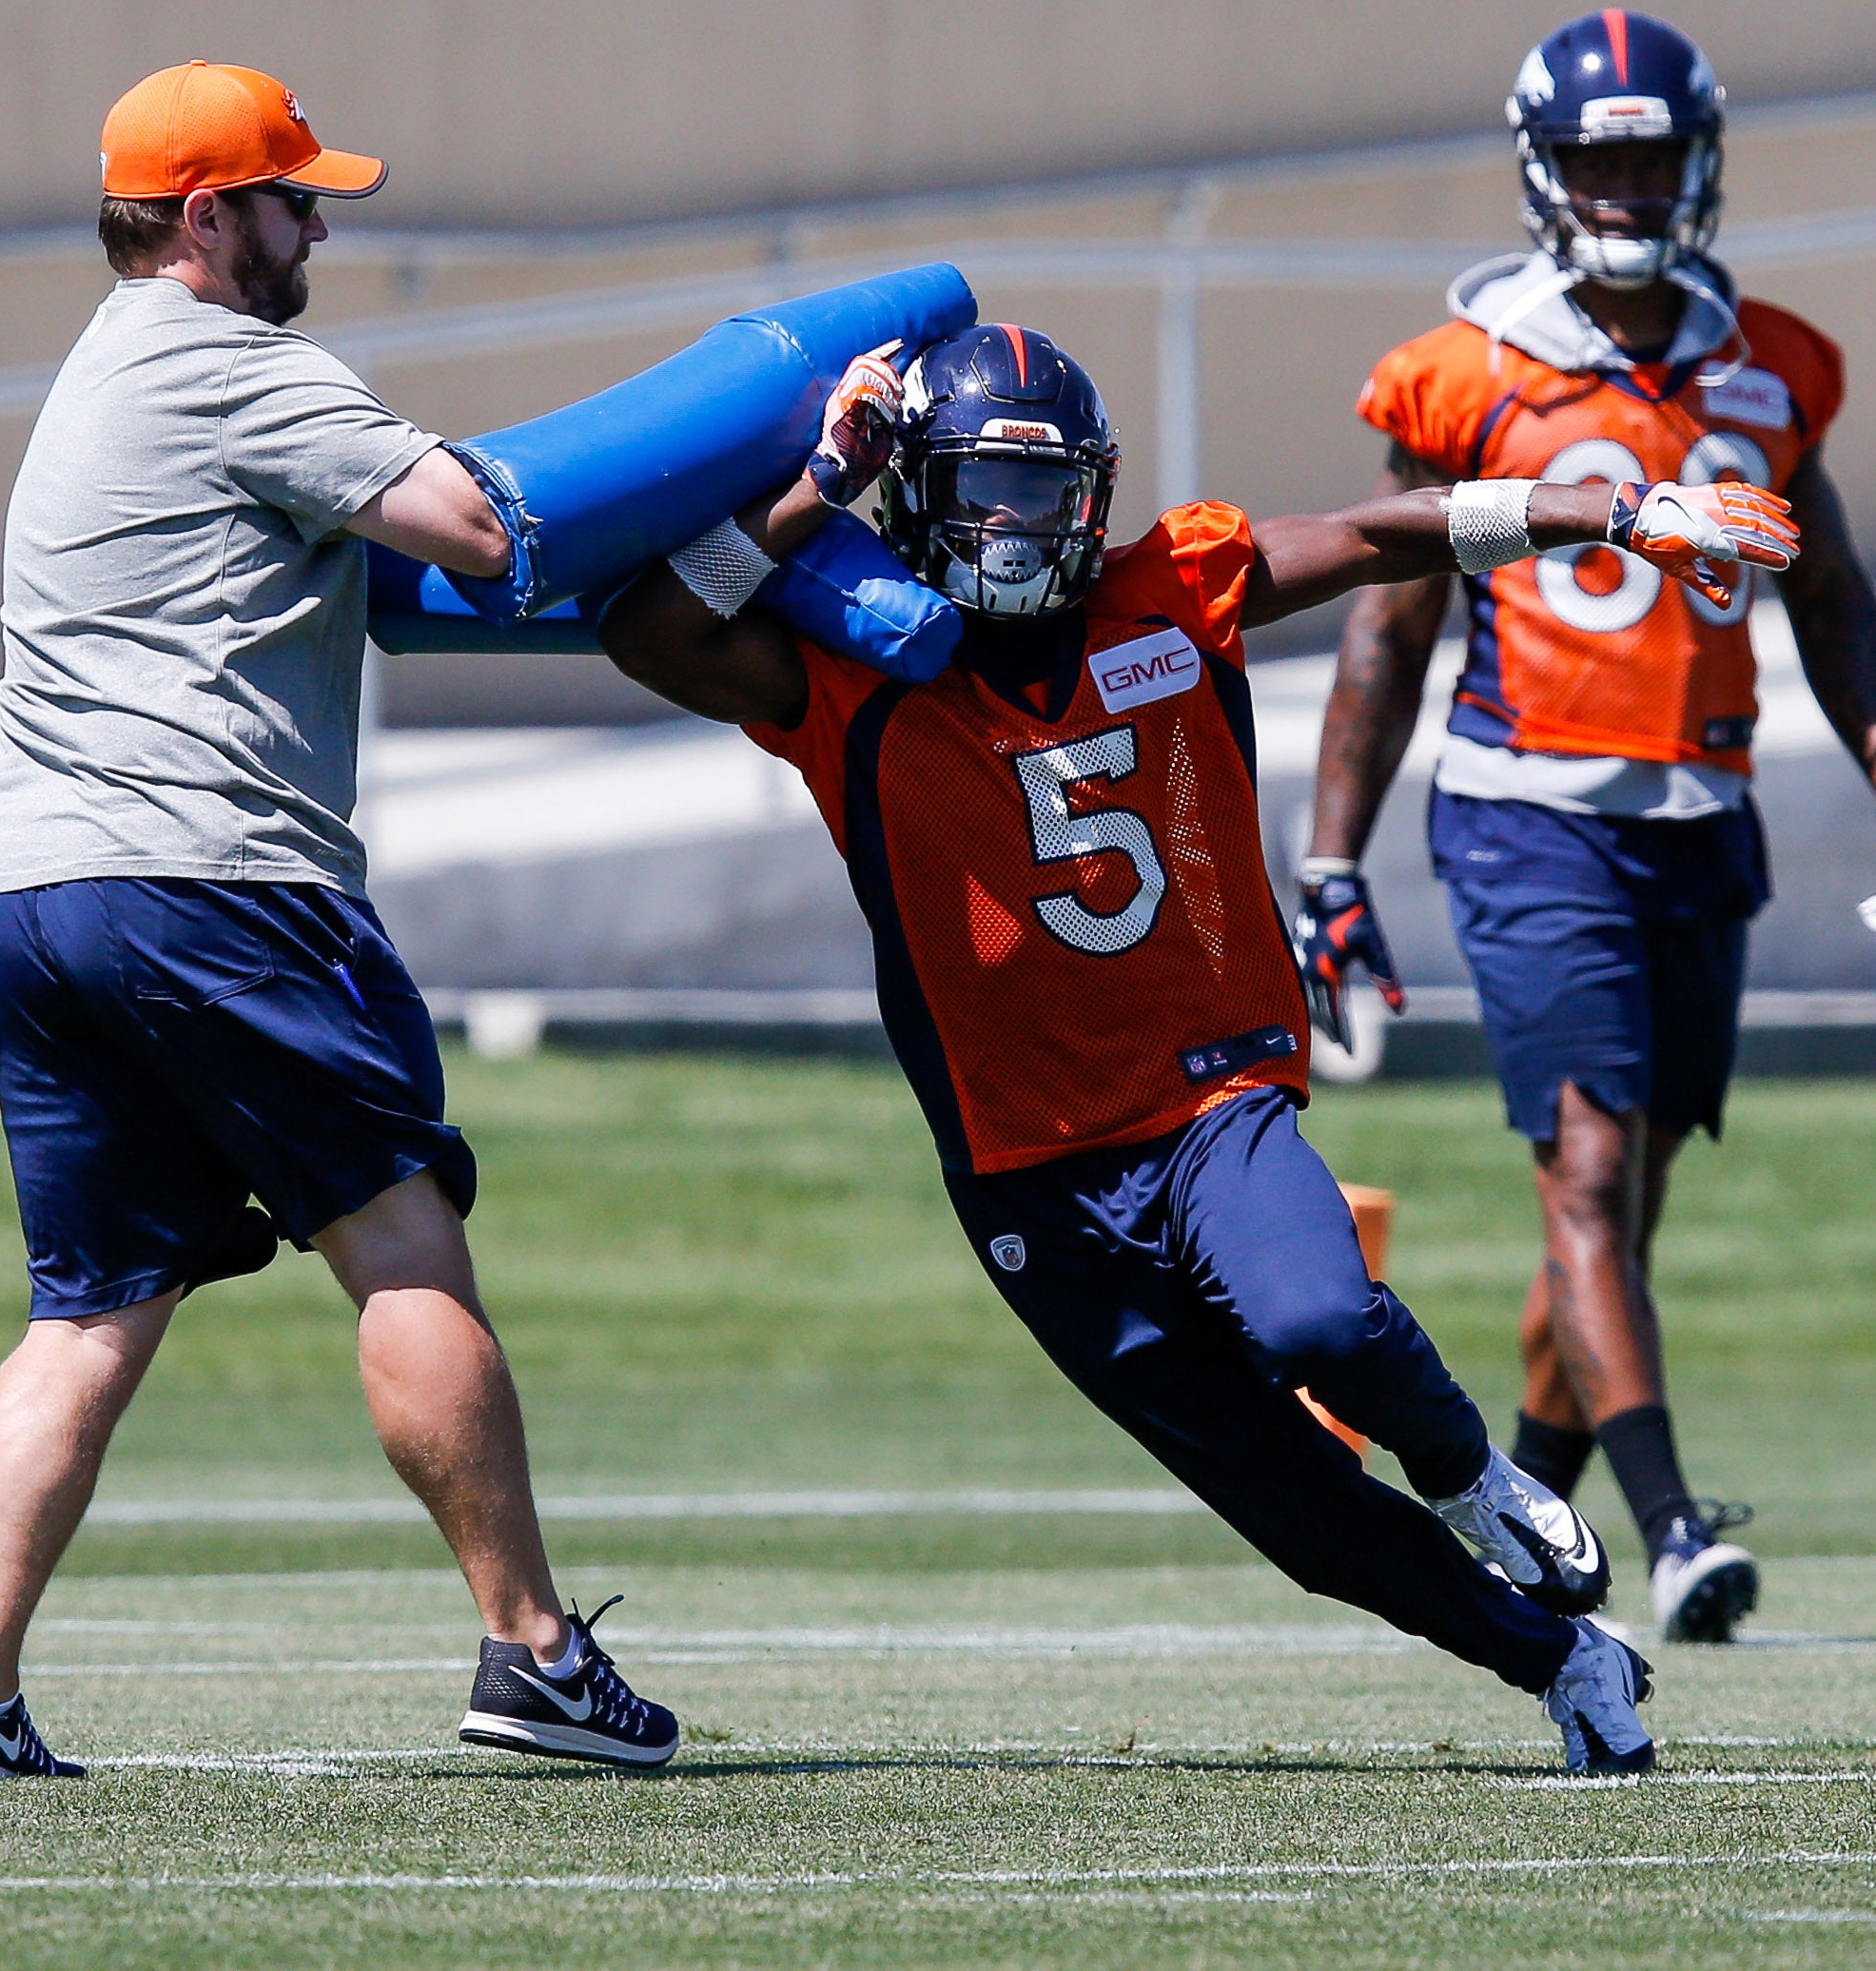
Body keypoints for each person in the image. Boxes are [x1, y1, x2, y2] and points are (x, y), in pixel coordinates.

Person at [601, 321, 1801, 1772]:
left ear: (1095, 500)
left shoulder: (1169, 584)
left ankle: (1471, 1469)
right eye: (983, 487)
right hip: (1021, 1165)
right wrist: (814, 482)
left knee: (1318, 1321)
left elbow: (1375, 535)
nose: (1015, 525)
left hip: (1202, 1098)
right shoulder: (847, 673)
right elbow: (650, 632)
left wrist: (1609, 508)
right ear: (909, 490)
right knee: (1292, 1509)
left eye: (1046, 495)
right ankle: (1561, 1662)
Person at [0, 62, 677, 1780]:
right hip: (218, 881)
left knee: (88, 1305)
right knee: (401, 1244)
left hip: (40, 893)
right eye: (292, 196)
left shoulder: (97, 370)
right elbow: (474, 529)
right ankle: (533, 1654)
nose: (317, 223)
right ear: (205, 218)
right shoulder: (231, 362)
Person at [1302, 10, 1876, 1646]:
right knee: (1583, 1181)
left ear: (1699, 162)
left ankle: (1520, 1506)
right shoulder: (1463, 371)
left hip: (1700, 813)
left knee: (1621, 1218)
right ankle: (1669, 1534)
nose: (1624, 184)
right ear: (1541, 170)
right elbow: (1384, 628)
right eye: (1597, 157)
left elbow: (1830, 591)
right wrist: (1328, 857)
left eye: (1648, 155)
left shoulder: (1774, 361)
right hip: (1526, 814)